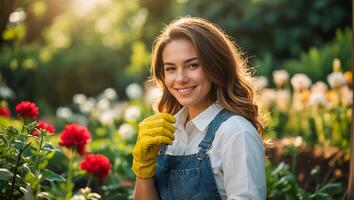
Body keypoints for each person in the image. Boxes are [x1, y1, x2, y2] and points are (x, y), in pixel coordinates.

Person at [132, 16, 266, 200]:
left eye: (192, 65)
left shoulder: (236, 133)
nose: (180, 79)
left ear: (216, 66)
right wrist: (143, 172)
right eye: (171, 68)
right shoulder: (167, 133)